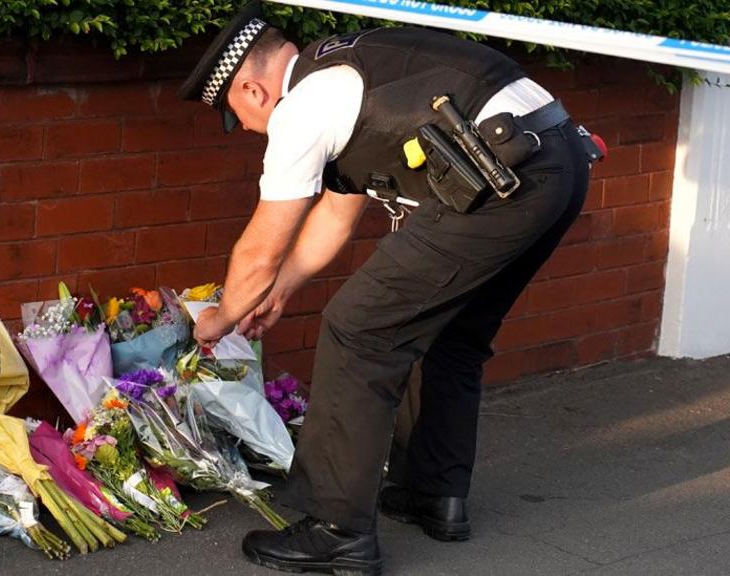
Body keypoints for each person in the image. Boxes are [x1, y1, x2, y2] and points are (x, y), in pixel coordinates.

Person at [180, 2, 591, 574]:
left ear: (251, 90)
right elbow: (336, 212)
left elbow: (260, 246)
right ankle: (432, 493)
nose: (248, 130)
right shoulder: (350, 71)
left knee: (358, 332)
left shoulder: (303, 108)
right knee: (451, 332)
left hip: (502, 178)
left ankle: (336, 529)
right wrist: (279, 293)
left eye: (237, 117)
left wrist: (219, 318)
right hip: (557, 161)